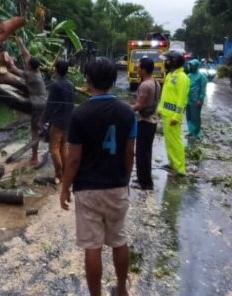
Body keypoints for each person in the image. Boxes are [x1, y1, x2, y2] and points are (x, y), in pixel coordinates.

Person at [60, 58, 136, 296]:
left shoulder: (79, 114)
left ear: (88, 80)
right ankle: (122, 289)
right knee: (119, 240)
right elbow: (129, 152)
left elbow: (73, 160)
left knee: (92, 247)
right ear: (114, 81)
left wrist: (64, 187)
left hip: (88, 189)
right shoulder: (127, 112)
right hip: (116, 185)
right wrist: (125, 178)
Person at [4, 37, 47, 165]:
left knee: (34, 130)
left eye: (27, 63)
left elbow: (12, 69)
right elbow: (27, 55)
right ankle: (44, 127)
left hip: (38, 104)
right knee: (37, 128)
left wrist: (9, 60)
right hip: (42, 102)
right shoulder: (36, 70)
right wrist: (21, 43)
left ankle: (34, 157)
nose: (27, 62)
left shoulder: (30, 75)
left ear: (29, 66)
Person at [41, 60, 75, 183]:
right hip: (68, 120)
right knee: (64, 146)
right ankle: (66, 172)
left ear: (56, 70)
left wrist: (42, 120)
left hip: (57, 121)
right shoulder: (71, 85)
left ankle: (59, 173)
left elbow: (49, 105)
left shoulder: (55, 85)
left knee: (54, 148)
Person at [158, 51, 190, 176]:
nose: (165, 62)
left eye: (168, 60)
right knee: (168, 141)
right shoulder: (170, 75)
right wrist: (160, 109)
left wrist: (177, 116)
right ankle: (172, 163)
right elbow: (166, 95)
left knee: (175, 142)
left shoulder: (182, 78)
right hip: (166, 113)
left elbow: (182, 100)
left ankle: (180, 168)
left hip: (173, 116)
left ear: (174, 61)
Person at [131, 57, 160, 190]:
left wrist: (125, 108)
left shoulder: (144, 85)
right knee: (146, 152)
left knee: (142, 153)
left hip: (145, 122)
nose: (137, 69)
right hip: (152, 121)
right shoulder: (155, 83)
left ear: (143, 70)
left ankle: (144, 183)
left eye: (139, 67)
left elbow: (139, 105)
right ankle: (144, 179)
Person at [186, 59, 207, 140]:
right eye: (190, 66)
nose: (190, 67)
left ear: (196, 66)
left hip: (196, 101)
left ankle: (197, 133)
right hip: (188, 100)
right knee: (189, 117)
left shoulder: (202, 76)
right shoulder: (188, 75)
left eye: (192, 66)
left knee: (196, 117)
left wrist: (200, 99)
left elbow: (203, 89)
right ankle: (191, 132)